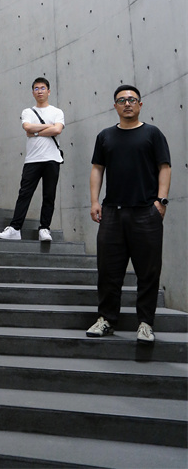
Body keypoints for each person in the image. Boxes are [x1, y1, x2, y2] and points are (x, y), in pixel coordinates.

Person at [86, 85, 171, 344]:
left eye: (132, 99)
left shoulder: (152, 133)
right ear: (115, 106)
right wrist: (94, 201)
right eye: (122, 100)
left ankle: (145, 324)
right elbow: (97, 168)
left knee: (148, 272)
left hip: (146, 213)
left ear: (140, 104)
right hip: (112, 213)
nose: (127, 103)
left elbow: (164, 167)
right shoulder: (105, 136)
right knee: (108, 271)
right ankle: (106, 319)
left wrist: (161, 202)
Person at [0, 77, 64, 242]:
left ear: (49, 91)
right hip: (32, 160)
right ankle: (15, 228)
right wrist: (49, 126)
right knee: (24, 194)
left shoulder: (57, 112)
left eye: (42, 88)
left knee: (49, 195)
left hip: (52, 159)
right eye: (36, 88)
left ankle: (44, 229)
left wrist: (36, 132)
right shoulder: (28, 112)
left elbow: (57, 130)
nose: (39, 91)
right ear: (33, 92)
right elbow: (27, 127)